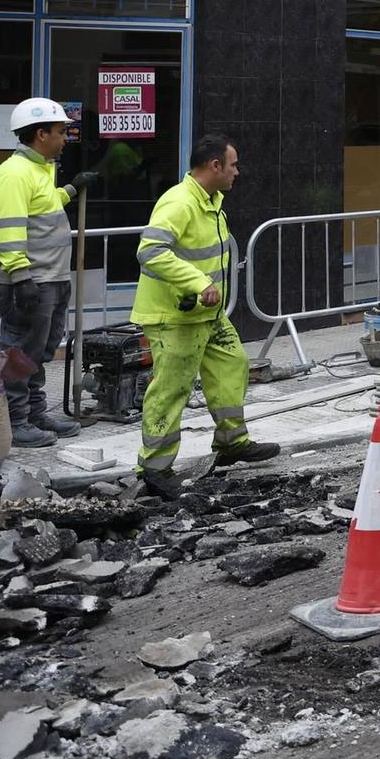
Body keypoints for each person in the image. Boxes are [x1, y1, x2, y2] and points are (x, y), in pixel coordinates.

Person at [132, 134, 277, 497]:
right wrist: (198, 283)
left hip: (206, 314)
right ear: (215, 166)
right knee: (172, 388)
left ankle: (231, 442)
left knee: (233, 363)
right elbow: (150, 251)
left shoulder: (211, 202)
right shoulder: (179, 202)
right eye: (233, 165)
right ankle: (155, 467)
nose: (237, 172)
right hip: (174, 317)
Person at [0, 97, 100, 448]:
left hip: (50, 278)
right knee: (20, 351)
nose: (65, 138)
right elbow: (8, 229)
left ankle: (34, 413)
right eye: (60, 131)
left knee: (39, 350)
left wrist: (71, 190)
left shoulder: (39, 169)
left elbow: (44, 206)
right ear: (41, 134)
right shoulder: (14, 174)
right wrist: (20, 276)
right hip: (30, 281)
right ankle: (15, 421)